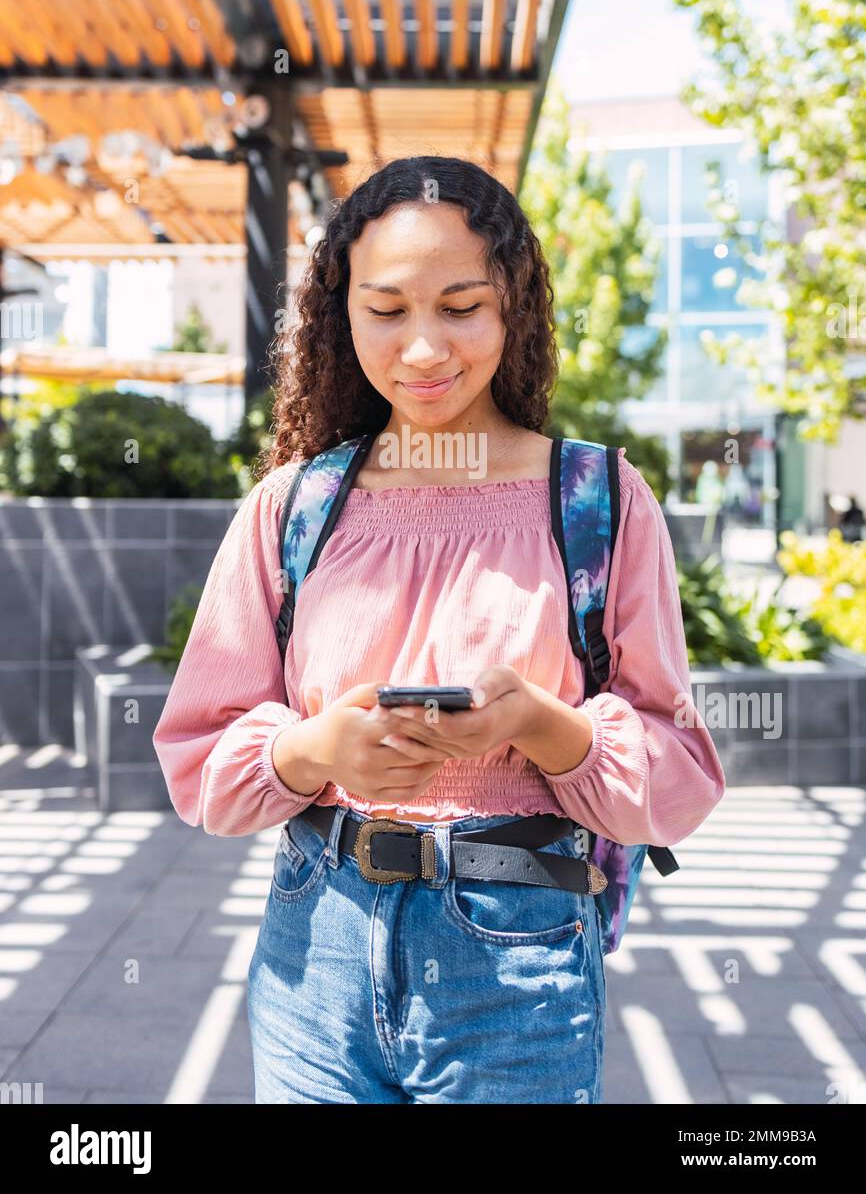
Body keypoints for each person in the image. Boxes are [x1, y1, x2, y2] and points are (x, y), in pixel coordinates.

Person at [152, 155, 725, 1105]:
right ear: (344, 316)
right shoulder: (292, 507)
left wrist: (543, 725)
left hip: (519, 969)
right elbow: (195, 760)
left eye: (461, 307)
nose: (423, 349)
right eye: (386, 310)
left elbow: (679, 781)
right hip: (314, 951)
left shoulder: (596, 500)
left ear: (513, 311)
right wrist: (313, 751)